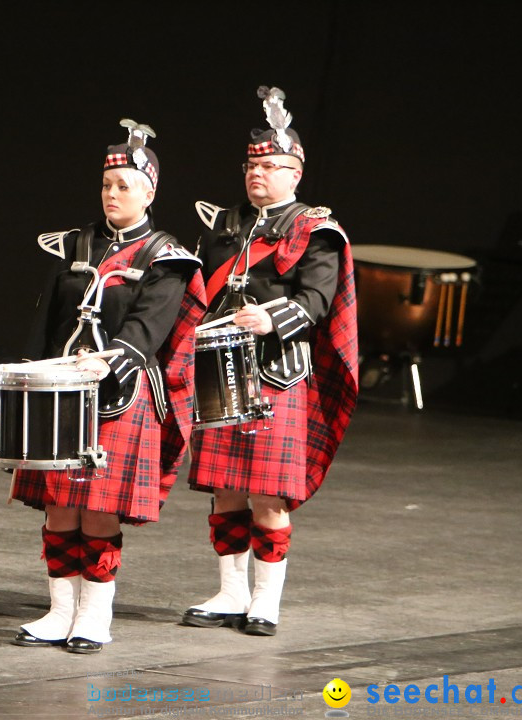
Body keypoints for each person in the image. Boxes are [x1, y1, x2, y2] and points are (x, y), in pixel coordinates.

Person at [11, 120, 201, 653]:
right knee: (58, 507)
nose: (112, 194)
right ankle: (58, 611)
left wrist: (109, 361)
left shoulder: (166, 256)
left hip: (119, 394)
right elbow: (48, 318)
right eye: (106, 185)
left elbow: (149, 327)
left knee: (97, 507)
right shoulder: (75, 243)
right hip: (59, 394)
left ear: (150, 191)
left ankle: (94, 616)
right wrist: (33, 375)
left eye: (123, 186)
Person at [181, 87, 358, 636]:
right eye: (253, 164)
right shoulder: (224, 224)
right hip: (218, 370)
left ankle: (265, 601)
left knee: (267, 492)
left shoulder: (315, 229)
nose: (259, 173)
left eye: (272, 165)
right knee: (224, 486)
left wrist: (270, 318)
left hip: (275, 372)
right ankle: (231, 592)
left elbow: (317, 300)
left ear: (295, 172)